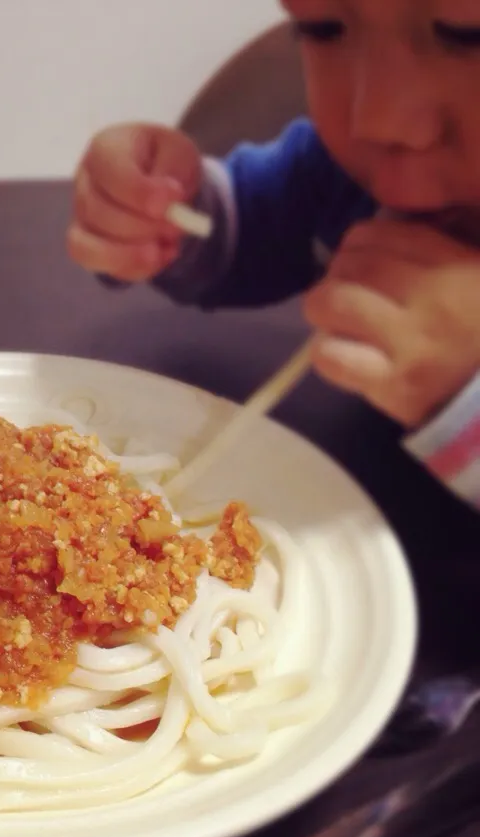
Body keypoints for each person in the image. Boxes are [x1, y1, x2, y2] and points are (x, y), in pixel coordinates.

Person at [67, 0, 480, 508]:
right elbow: (251, 226)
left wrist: (467, 398)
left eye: (466, 35)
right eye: (322, 27)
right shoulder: (340, 179)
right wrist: (161, 213)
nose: (377, 119)